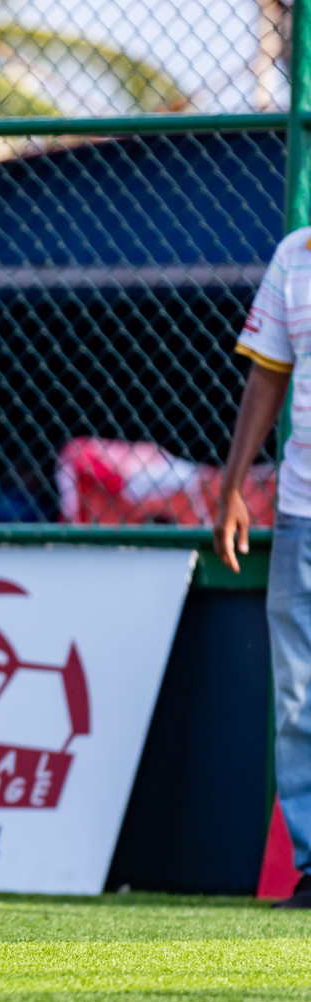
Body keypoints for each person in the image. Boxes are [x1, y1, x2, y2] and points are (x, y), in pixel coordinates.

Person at [215, 225, 311, 910]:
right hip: (303, 511)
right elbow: (267, 373)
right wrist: (233, 488)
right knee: (299, 698)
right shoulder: (295, 255)